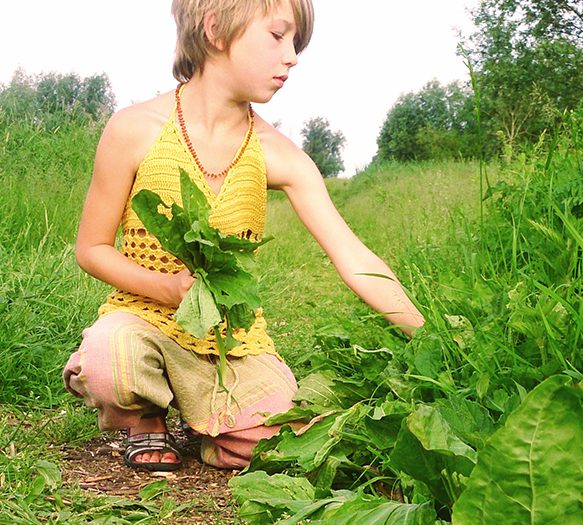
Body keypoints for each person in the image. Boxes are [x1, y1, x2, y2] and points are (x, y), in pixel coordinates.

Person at [63, 0, 424, 471]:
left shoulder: (279, 154)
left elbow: (353, 255)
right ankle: (143, 417)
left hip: (230, 339)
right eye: (278, 36)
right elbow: (91, 249)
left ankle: (208, 425)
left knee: (281, 442)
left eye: (297, 43)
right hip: (142, 318)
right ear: (215, 29)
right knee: (112, 358)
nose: (292, 56)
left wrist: (427, 335)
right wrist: (169, 289)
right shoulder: (135, 130)